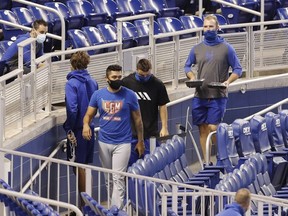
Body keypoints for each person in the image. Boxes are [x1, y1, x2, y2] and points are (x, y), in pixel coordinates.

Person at [82, 64, 144, 208]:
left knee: (118, 178)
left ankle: (117, 210)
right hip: (104, 142)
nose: (117, 79)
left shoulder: (130, 95)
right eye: (114, 77)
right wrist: (86, 125)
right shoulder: (98, 95)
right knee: (108, 179)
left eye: (119, 77)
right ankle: (112, 207)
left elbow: (138, 120)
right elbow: (88, 115)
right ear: (107, 78)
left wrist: (140, 141)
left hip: (123, 142)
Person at [184, 14, 242, 163]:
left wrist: (228, 81)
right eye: (205, 26)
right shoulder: (196, 49)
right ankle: (207, 162)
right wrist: (192, 78)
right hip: (200, 95)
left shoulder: (226, 48)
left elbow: (238, 69)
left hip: (218, 95)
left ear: (217, 28)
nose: (208, 29)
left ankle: (224, 155)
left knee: (212, 128)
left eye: (211, 26)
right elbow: (187, 66)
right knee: (202, 129)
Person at [63, 51, 98, 211]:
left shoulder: (71, 84)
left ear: (72, 64)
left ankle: (83, 208)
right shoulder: (93, 81)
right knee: (83, 166)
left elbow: (72, 108)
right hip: (89, 127)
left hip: (78, 129)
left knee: (79, 167)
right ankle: (85, 206)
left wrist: (69, 127)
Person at [122, 58, 170, 167]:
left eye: (147, 75)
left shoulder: (158, 84)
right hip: (131, 134)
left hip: (150, 134)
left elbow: (162, 105)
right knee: (131, 168)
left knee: (151, 166)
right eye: (141, 75)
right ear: (136, 70)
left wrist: (164, 127)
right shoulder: (127, 83)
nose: (144, 77)